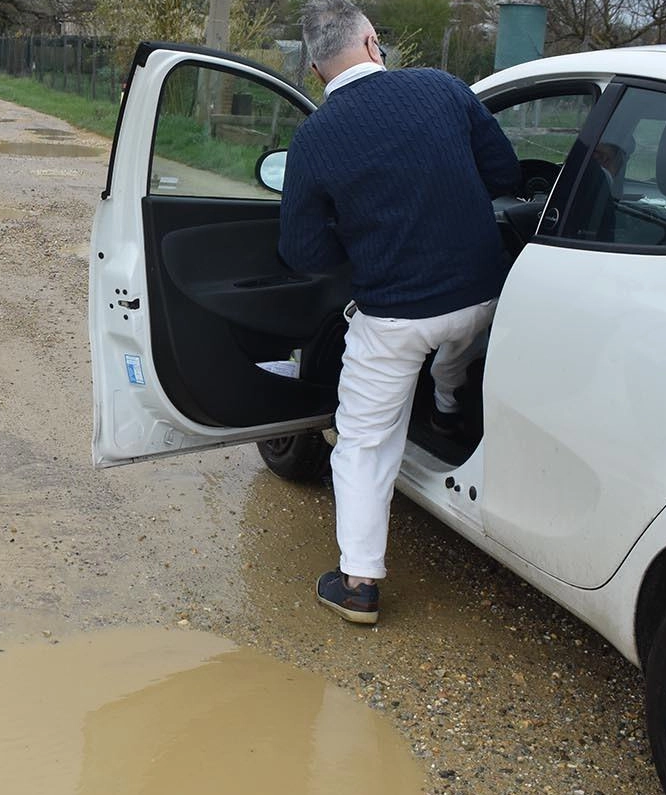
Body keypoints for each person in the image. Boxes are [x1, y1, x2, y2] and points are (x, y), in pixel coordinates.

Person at [278, 0, 520, 624]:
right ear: (373, 41)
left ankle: (359, 584)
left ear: (313, 69)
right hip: (485, 298)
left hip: (394, 320)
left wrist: (359, 238)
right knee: (456, 355)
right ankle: (445, 407)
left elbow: (303, 251)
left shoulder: (313, 140)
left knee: (363, 442)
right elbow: (504, 172)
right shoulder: (443, 89)